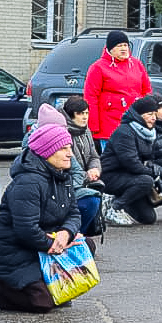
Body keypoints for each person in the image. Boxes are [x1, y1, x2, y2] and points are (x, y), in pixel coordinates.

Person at [0, 124, 81, 313]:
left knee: (85, 247)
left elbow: (74, 213)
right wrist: (52, 244)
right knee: (42, 303)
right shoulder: (28, 182)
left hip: (43, 243)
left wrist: (66, 233)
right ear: (47, 152)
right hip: (14, 250)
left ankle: (42, 282)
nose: (70, 153)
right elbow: (26, 229)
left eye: (69, 147)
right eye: (64, 148)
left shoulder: (63, 176)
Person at [99, 95, 162, 226]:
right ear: (138, 115)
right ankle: (114, 207)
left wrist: (159, 171)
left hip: (130, 177)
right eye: (149, 114)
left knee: (149, 218)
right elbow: (131, 162)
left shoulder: (148, 132)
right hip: (111, 176)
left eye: (154, 114)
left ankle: (119, 201)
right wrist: (152, 174)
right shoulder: (125, 132)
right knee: (146, 181)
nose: (153, 118)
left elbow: (150, 158)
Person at [83, 30, 152, 146]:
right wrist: (93, 125)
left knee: (134, 160)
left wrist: (147, 115)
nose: (124, 48)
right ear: (110, 49)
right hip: (109, 126)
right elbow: (91, 97)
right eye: (119, 45)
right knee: (113, 161)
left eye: (125, 45)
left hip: (135, 122)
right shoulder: (98, 67)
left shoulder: (137, 64)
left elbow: (147, 91)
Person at [62, 97, 103, 237]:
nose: (85, 117)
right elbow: (69, 167)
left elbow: (94, 156)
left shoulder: (86, 131)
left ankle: (83, 233)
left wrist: (95, 169)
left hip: (86, 178)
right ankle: (76, 234)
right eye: (80, 113)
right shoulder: (64, 133)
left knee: (97, 189)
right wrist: (86, 175)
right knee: (91, 200)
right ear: (70, 114)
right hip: (71, 183)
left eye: (86, 113)